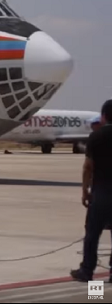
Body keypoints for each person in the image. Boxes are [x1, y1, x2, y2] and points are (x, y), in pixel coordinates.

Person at [71, 100, 112, 282]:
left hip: (101, 193)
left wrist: (85, 191)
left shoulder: (96, 137)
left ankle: (87, 272)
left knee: (92, 234)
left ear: (103, 116)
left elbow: (88, 167)